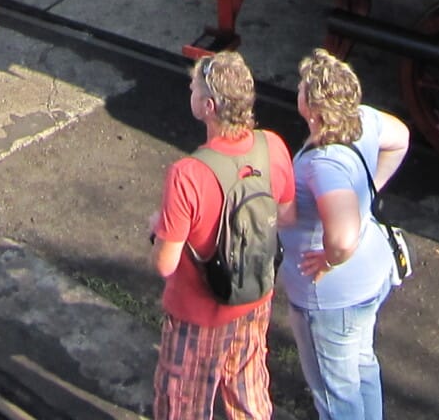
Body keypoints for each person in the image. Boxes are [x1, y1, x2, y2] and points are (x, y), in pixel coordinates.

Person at [151, 51, 297, 420]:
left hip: (198, 313)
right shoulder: (273, 147)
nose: (190, 89)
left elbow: (165, 264)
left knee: (182, 402)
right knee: (247, 391)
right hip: (254, 300)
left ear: (209, 106)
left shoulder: (188, 174)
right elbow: (288, 215)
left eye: (194, 88)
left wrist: (159, 226)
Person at [279, 50, 411, 420]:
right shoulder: (364, 118)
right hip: (370, 280)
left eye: (302, 89)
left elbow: (342, 238)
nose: (298, 92)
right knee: (362, 367)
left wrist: (331, 257)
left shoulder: (325, 163)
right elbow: (400, 138)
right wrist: (367, 195)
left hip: (332, 299)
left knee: (335, 394)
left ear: (314, 110)